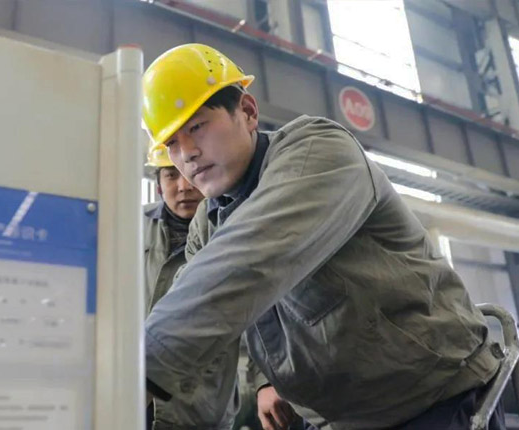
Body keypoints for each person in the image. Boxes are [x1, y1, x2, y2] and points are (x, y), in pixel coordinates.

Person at [142, 43, 506, 430]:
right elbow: (201, 318)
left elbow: (246, 263)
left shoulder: (319, 152)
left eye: (197, 127)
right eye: (172, 144)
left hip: (434, 399)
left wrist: (137, 371)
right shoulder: (207, 224)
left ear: (247, 112)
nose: (187, 154)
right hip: (338, 418)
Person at [143, 146, 240, 430]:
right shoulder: (127, 227)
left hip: (201, 400)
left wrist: (265, 383)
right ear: (158, 186)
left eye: (188, 173)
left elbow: (264, 308)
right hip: (133, 392)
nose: (183, 186)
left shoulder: (233, 228)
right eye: (171, 175)